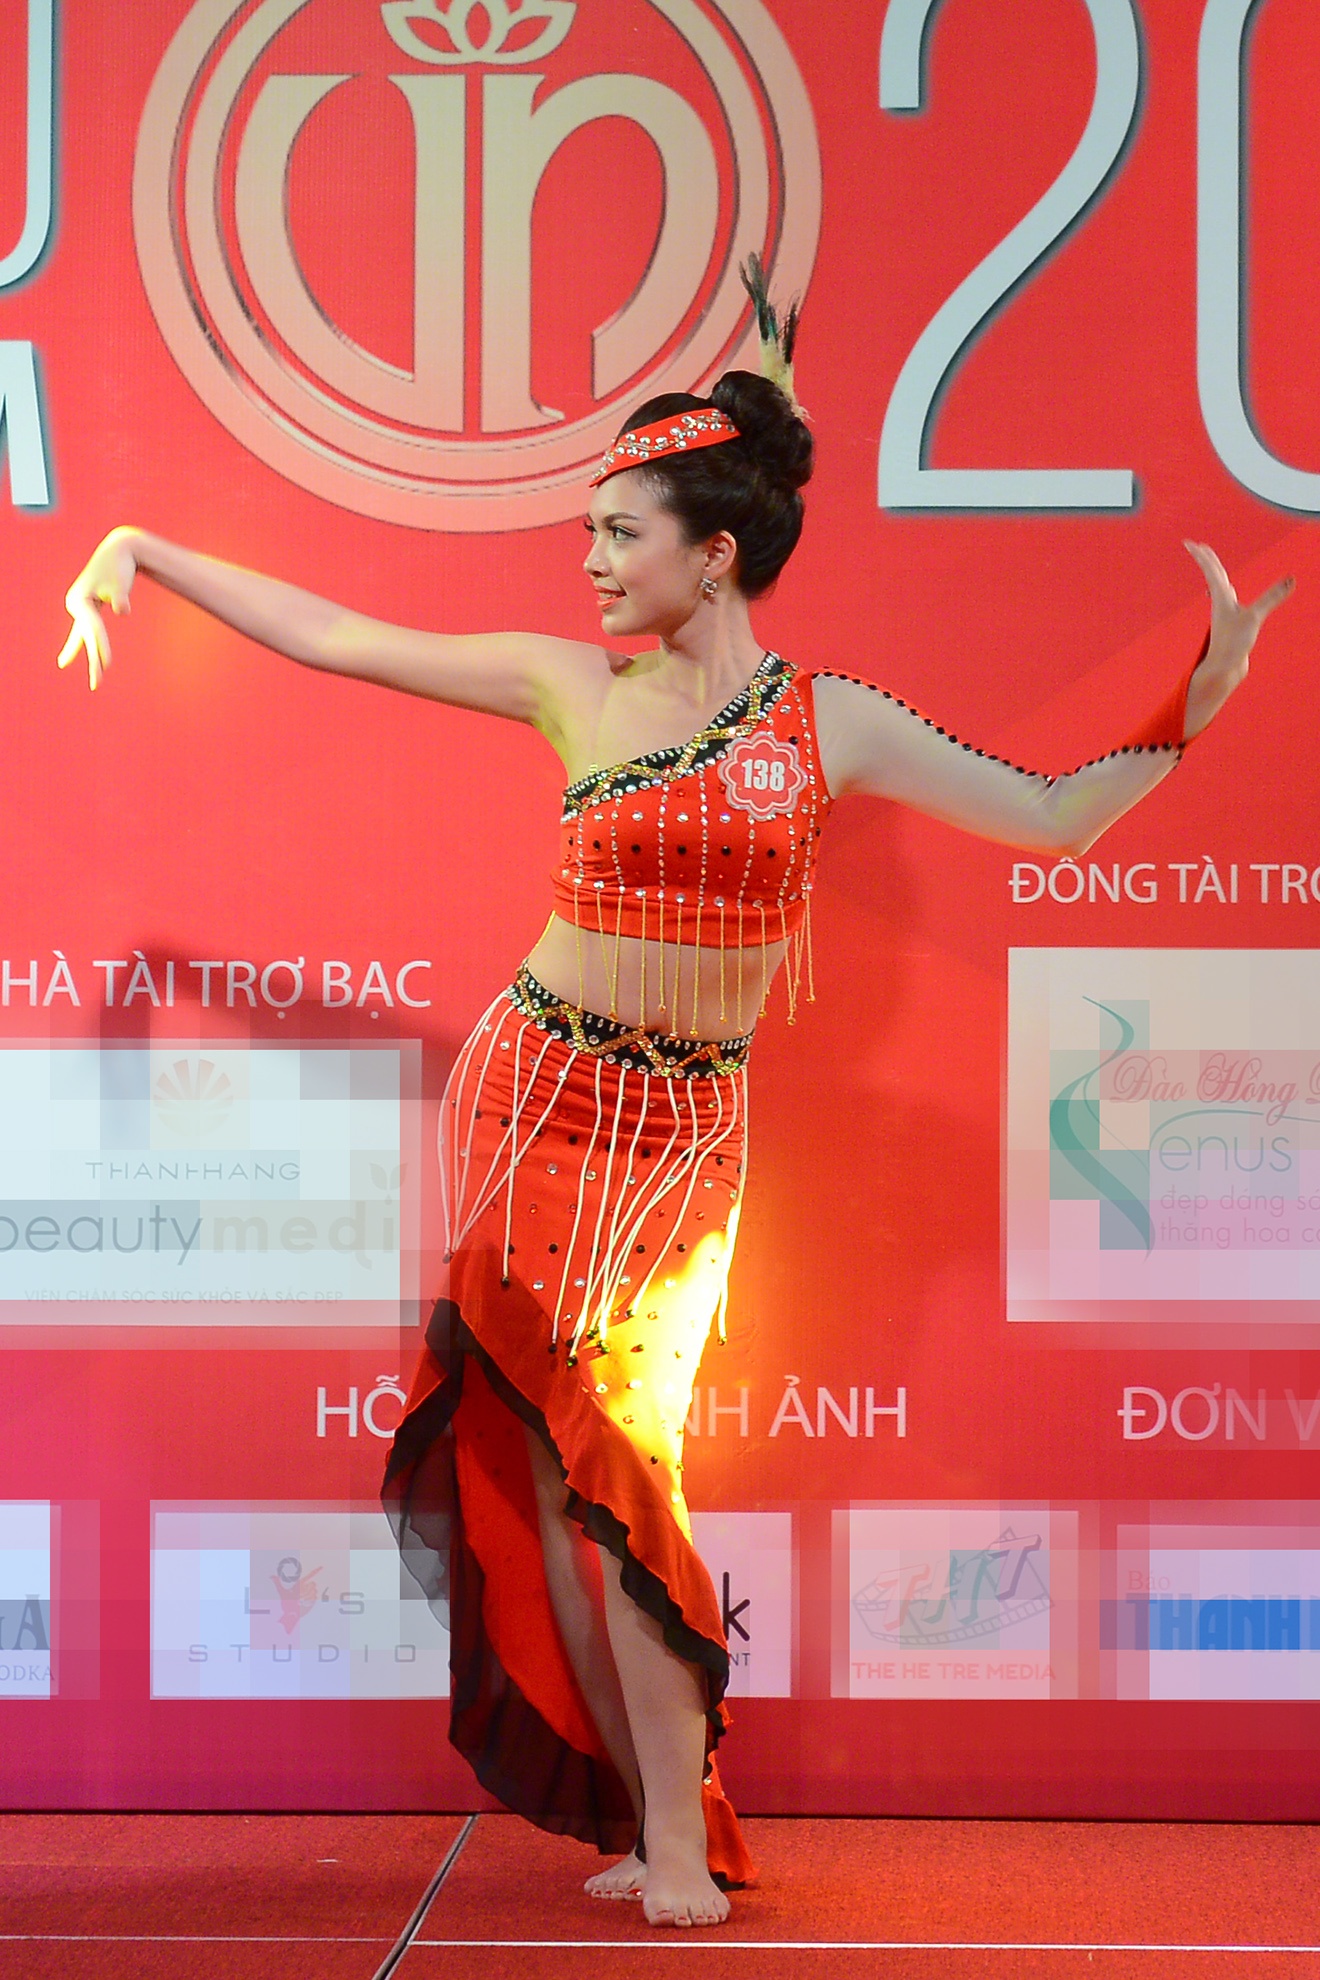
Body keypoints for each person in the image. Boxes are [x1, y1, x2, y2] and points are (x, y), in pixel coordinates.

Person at [58, 280, 1292, 1928]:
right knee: (570, 1468)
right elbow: (339, 636)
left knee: (629, 1467)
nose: (588, 561)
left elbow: (1058, 816)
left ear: (712, 554)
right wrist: (139, 546)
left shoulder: (829, 722)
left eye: (618, 533)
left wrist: (1198, 700)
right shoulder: (568, 686)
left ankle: (670, 1827)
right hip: (533, 1102)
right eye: (589, 531)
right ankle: (658, 1828)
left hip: (686, 1139)